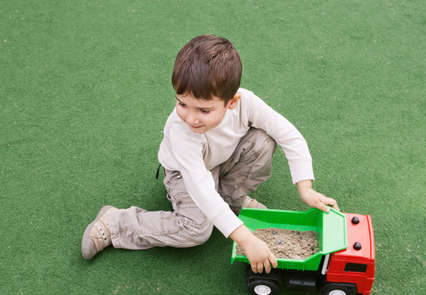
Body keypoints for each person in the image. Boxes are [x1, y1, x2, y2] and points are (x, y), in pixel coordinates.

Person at [81, 34, 339, 274]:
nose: (191, 117)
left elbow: (288, 134)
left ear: (232, 102)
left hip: (221, 161)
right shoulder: (180, 130)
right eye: (182, 103)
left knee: (264, 139)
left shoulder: (245, 102)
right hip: (185, 174)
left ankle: (230, 197)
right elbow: (201, 188)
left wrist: (305, 188)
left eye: (204, 110)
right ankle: (116, 223)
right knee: (195, 230)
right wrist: (246, 239)